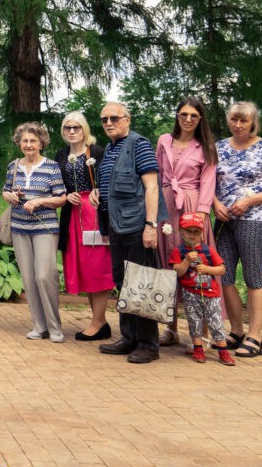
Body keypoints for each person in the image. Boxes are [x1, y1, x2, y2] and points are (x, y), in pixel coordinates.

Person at [215, 101, 262, 359]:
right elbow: (208, 182)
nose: (238, 125)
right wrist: (215, 204)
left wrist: (249, 201)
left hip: (255, 220)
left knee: (253, 277)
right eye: (234, 119)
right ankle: (236, 331)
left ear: (252, 122)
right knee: (223, 276)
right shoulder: (219, 147)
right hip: (224, 221)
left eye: (244, 120)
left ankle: (256, 337)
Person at [95, 101, 162, 364]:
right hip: (116, 225)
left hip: (136, 225)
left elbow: (152, 188)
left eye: (114, 118)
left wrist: (151, 225)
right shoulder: (111, 148)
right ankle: (129, 337)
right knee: (123, 281)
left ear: (127, 119)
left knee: (141, 283)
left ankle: (148, 344)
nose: (109, 123)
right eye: (104, 119)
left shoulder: (139, 144)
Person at [156, 97, 219, 347]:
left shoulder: (205, 146)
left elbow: (208, 181)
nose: (188, 119)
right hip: (166, 203)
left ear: (200, 119)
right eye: (184, 114)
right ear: (177, 115)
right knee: (168, 261)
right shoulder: (164, 140)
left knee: (196, 262)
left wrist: (203, 212)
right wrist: (154, 209)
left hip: (192, 205)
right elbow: (159, 174)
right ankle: (170, 328)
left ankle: (201, 330)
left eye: (194, 115)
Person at [2, 122, 68, 343]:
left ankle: (55, 327)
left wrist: (40, 201)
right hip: (20, 227)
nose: (28, 144)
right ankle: (39, 326)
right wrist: (11, 196)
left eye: (33, 141)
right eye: (25, 141)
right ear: (19, 143)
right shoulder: (13, 166)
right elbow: (5, 192)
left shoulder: (51, 167)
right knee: (29, 279)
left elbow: (61, 197)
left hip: (45, 228)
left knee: (44, 275)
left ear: (41, 143)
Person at [54, 112, 113, 341]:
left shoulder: (98, 151)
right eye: (67, 127)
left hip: (94, 214)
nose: (71, 131)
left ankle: (98, 321)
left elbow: (108, 177)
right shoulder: (61, 155)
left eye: (76, 127)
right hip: (72, 215)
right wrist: (67, 195)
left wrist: (100, 190)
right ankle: (100, 322)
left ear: (84, 129)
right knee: (84, 268)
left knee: (96, 266)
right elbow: (57, 185)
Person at [169, 212, 235, 366]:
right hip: (191, 293)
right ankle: (197, 347)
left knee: (215, 321)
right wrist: (186, 260)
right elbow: (177, 271)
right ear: (180, 231)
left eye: (196, 231)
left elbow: (221, 269)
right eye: (188, 231)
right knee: (194, 321)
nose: (192, 235)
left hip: (211, 293)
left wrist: (207, 269)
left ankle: (222, 350)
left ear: (202, 233)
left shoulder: (208, 250)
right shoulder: (179, 252)